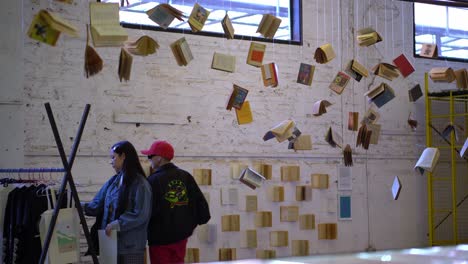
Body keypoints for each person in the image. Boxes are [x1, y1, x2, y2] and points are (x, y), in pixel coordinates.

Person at [141, 140, 210, 264]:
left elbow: (146, 211)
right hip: (181, 238)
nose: (148, 159)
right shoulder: (186, 176)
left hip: (159, 239)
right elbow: (202, 207)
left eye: (150, 156)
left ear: (159, 158)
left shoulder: (152, 181)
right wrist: (189, 227)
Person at [83, 141, 152, 264]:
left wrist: (118, 224)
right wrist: (78, 206)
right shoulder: (113, 182)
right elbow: (97, 204)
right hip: (110, 243)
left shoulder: (140, 184)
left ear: (123, 156)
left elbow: (141, 214)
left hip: (130, 248)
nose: (111, 161)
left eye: (113, 157)